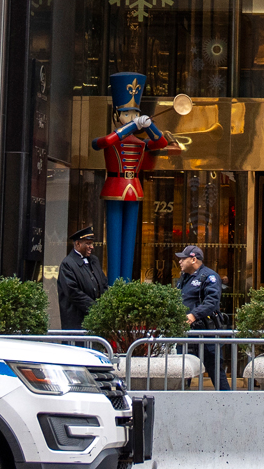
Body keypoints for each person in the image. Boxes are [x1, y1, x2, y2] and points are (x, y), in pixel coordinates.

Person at [91, 72, 177, 282]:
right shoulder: (112, 138)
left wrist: (150, 127)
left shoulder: (140, 143)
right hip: (114, 185)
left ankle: (126, 285)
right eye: (126, 113)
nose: (131, 117)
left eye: (134, 114)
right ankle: (114, 286)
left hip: (134, 187)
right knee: (114, 241)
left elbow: (161, 144)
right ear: (116, 115)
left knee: (130, 242)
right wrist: (132, 125)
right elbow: (103, 142)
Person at [174, 246, 229, 390]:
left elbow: (212, 302)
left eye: (183, 259)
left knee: (215, 369)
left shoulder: (209, 276)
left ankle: (228, 403)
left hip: (206, 331)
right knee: (183, 370)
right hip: (186, 333)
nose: (180, 261)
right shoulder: (183, 278)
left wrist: (193, 315)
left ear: (193, 259)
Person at [56, 227, 108, 331]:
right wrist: (95, 308)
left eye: (91, 243)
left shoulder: (94, 260)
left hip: (95, 321)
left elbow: (103, 284)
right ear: (78, 244)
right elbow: (73, 293)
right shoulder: (68, 264)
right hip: (77, 322)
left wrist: (104, 306)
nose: (91, 247)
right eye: (88, 243)